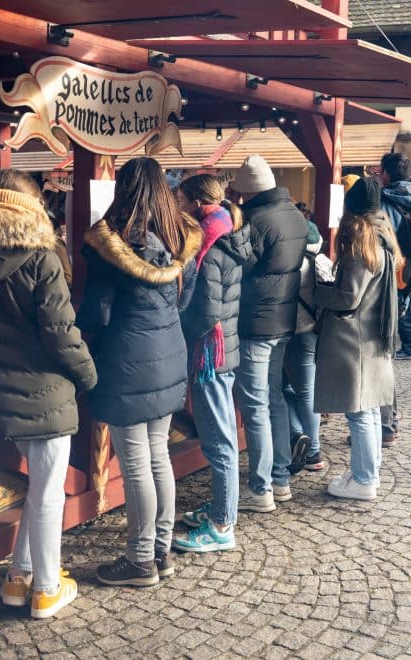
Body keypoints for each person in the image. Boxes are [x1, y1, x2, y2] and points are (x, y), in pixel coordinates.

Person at [0, 169, 96, 618]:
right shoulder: (41, 258)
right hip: (44, 393)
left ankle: (17, 578)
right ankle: (47, 589)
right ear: (33, 211)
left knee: (36, 491)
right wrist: (89, 377)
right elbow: (61, 334)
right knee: (48, 492)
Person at [78, 157, 200, 586]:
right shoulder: (179, 238)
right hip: (169, 354)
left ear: (123, 190)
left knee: (135, 463)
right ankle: (161, 551)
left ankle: (139, 559)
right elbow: (185, 304)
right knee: (158, 454)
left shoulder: (114, 245)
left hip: (126, 361)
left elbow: (98, 313)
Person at [172, 174, 251, 553]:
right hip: (222, 351)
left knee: (219, 441)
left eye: (179, 198)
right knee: (219, 437)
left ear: (194, 203)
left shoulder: (209, 245)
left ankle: (222, 525)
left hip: (210, 355)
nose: (175, 205)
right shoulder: (225, 234)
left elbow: (205, 310)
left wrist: (179, 326)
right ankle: (222, 509)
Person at [229, 155, 308, 513]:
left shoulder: (257, 221)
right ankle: (280, 479)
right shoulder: (294, 214)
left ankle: (260, 489)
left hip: (255, 323)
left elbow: (238, 266)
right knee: (274, 399)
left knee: (255, 405)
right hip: (284, 320)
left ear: (246, 191)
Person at [314, 177, 400, 500]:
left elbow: (349, 296)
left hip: (356, 338)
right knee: (371, 408)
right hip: (374, 334)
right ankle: (368, 472)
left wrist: (318, 289)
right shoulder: (384, 233)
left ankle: (364, 479)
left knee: (360, 410)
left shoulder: (362, 240)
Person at [285, 217, 328, 474]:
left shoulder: (291, 263)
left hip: (291, 332)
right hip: (314, 332)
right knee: (307, 392)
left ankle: (299, 438)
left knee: (281, 389)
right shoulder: (323, 262)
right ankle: (312, 451)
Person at [378, 152, 411, 361]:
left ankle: (384, 352)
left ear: (385, 173)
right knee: (401, 309)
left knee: (386, 311)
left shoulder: (382, 200)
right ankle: (402, 348)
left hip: (389, 264)